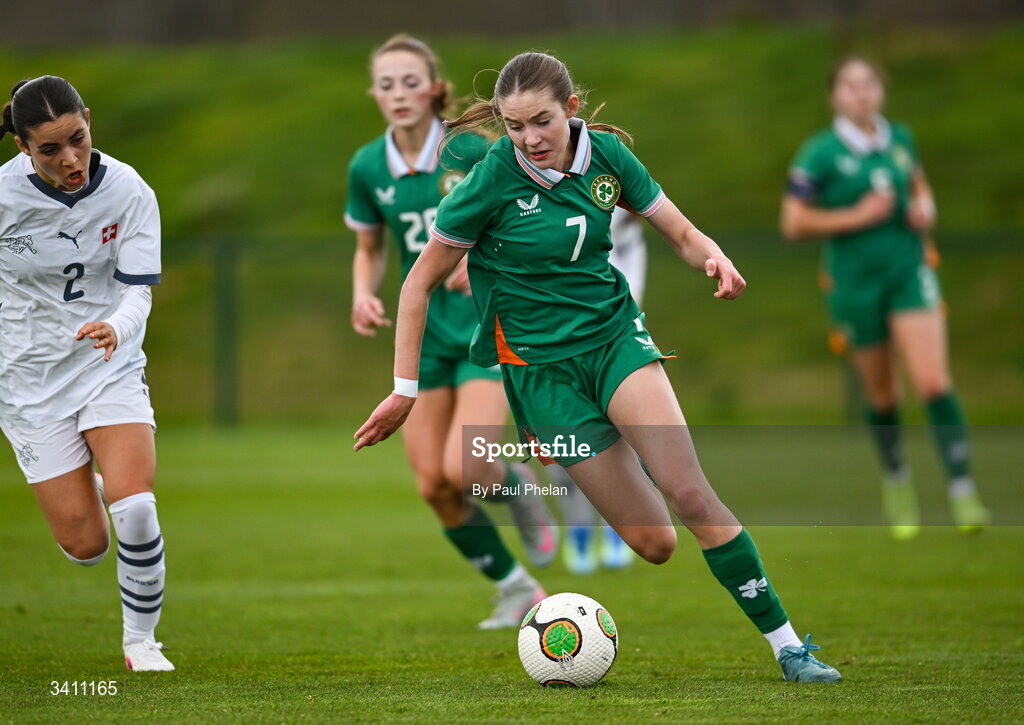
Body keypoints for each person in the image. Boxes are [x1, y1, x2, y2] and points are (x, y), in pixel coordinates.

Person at [355, 51, 841, 683]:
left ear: (572, 110)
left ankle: (787, 647)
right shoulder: (492, 177)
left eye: (542, 122)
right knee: (655, 544)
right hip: (540, 376)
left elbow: (681, 232)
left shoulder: (609, 157)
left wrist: (713, 258)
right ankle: (592, 455)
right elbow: (417, 285)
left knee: (691, 492)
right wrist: (403, 391)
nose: (530, 139)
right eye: (514, 126)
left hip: (615, 342)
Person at [345, 35, 557, 630]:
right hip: (428, 337)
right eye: (386, 84)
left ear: (435, 87)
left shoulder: (469, 149)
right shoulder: (367, 166)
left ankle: (512, 483)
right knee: (433, 485)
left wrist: (474, 257)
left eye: (410, 81)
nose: (399, 94)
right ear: (375, 96)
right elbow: (369, 246)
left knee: (468, 470)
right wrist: (363, 291)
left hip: (484, 328)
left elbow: (517, 216)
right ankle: (516, 587)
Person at [0, 76, 172, 670]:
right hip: (27, 381)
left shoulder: (128, 190)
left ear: (89, 120)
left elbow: (138, 295)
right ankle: (89, 491)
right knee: (87, 545)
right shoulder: (1, 198)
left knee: (139, 507)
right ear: (23, 147)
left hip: (108, 363)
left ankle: (140, 643)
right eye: (50, 149)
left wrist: (116, 330)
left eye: (77, 138)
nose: (69, 158)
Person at [780, 55, 991, 539]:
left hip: (909, 271)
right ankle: (897, 480)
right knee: (883, 394)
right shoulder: (819, 152)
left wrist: (924, 209)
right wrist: (857, 215)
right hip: (853, 283)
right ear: (835, 95)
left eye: (870, 83)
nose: (862, 93)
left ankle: (962, 488)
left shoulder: (901, 139)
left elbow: (919, 187)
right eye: (851, 85)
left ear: (881, 90)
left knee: (934, 381)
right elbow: (793, 222)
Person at [552, 206, 647, 573]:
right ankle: (577, 530)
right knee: (560, 442)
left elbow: (632, 286)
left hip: (610, 337)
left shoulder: (623, 230)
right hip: (553, 340)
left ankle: (615, 528)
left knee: (617, 436)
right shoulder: (540, 212)